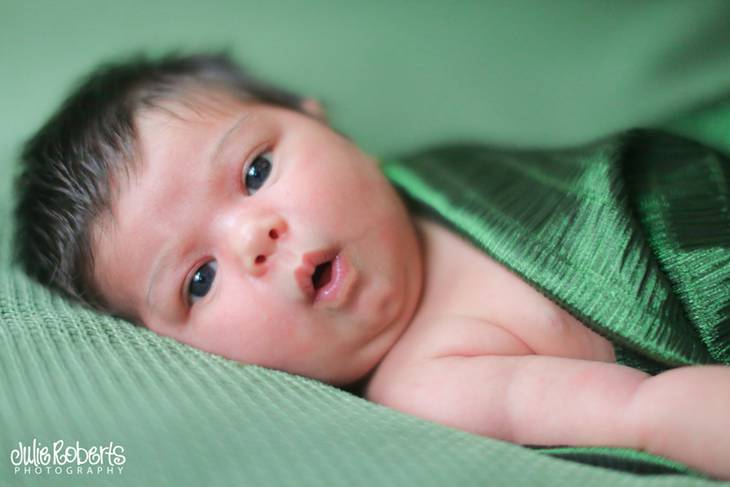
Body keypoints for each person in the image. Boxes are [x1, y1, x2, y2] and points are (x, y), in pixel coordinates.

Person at [14, 52, 730, 479]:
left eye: (256, 169)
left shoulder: (440, 175)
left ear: (317, 118)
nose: (255, 236)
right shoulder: (432, 380)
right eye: (198, 279)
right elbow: (644, 413)